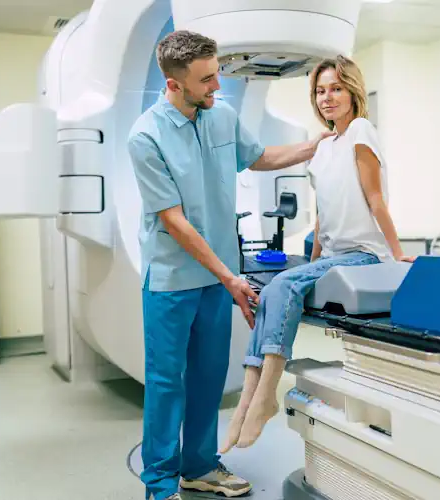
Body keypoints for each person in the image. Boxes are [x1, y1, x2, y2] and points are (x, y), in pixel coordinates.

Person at [127, 30, 335, 500]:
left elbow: (259, 157)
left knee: (207, 376)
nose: (216, 86)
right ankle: (159, 484)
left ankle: (199, 465)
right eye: (205, 80)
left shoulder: (221, 115)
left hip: (218, 279)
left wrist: (319, 146)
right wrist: (229, 276)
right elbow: (174, 221)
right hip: (171, 280)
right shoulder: (145, 137)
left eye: (216, 72)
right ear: (174, 83)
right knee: (165, 383)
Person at [220, 55, 414, 454]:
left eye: (337, 88)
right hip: (334, 256)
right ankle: (250, 397)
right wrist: (312, 266)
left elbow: (375, 200)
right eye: (321, 91)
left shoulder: (361, 130)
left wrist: (397, 255)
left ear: (353, 91)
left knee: (284, 284)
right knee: (277, 287)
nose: (328, 98)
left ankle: (266, 391)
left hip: (366, 254)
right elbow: (323, 216)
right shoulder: (323, 147)